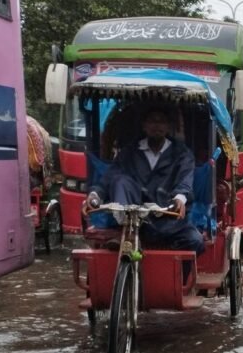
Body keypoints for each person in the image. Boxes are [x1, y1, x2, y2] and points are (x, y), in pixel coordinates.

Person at [83, 107, 204, 255]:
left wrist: (179, 199)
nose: (156, 126)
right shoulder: (130, 152)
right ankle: (126, 233)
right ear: (144, 126)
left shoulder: (182, 154)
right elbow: (109, 177)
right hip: (135, 220)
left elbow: (185, 182)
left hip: (168, 219)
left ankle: (171, 272)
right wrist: (95, 194)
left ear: (168, 127)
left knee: (195, 241)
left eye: (161, 122)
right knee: (120, 180)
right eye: (152, 121)